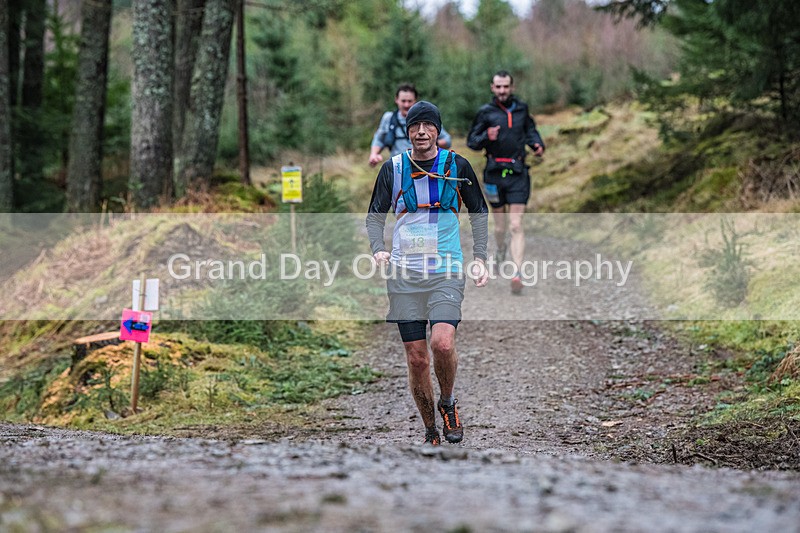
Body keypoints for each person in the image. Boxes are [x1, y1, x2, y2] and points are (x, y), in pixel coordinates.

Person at [366, 101, 489, 445]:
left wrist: (480, 257)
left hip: (446, 271)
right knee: (417, 358)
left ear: (437, 130)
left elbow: (479, 211)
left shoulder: (456, 165)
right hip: (404, 276)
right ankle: (430, 428)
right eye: (415, 126)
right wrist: (378, 248)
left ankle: (447, 402)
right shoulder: (393, 169)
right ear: (407, 131)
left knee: (442, 342)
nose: (421, 131)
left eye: (428, 126)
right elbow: (374, 216)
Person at [467, 70, 545, 294]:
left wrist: (537, 145)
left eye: (506, 87)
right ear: (492, 88)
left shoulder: (521, 109)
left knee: (516, 224)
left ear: (512, 87)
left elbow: (530, 131)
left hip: (518, 173)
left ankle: (517, 273)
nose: (502, 91)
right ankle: (500, 248)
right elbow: (472, 141)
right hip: (493, 174)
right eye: (498, 87)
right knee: (500, 227)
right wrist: (486, 137)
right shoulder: (485, 113)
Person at [369, 84, 453, 167]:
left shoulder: (428, 119)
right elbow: (379, 139)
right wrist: (374, 155)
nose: (406, 105)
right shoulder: (389, 118)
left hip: (424, 167)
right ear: (396, 100)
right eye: (403, 101)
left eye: (409, 101)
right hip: (398, 167)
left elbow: (447, 140)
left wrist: (429, 142)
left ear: (415, 100)